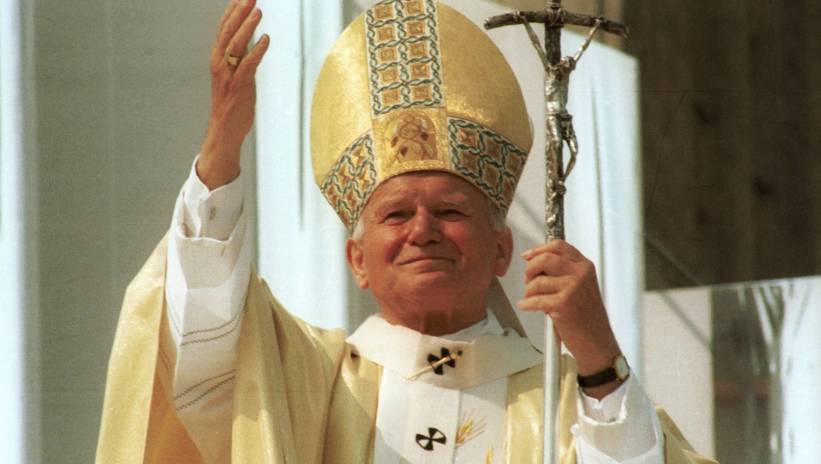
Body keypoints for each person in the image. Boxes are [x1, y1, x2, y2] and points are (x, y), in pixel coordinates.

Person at [96, 1, 716, 463]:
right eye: (395, 215)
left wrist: (600, 363)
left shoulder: (567, 403)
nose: (423, 231)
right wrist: (220, 151)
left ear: (502, 250)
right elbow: (198, 345)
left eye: (451, 212)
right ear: (356, 259)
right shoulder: (310, 380)